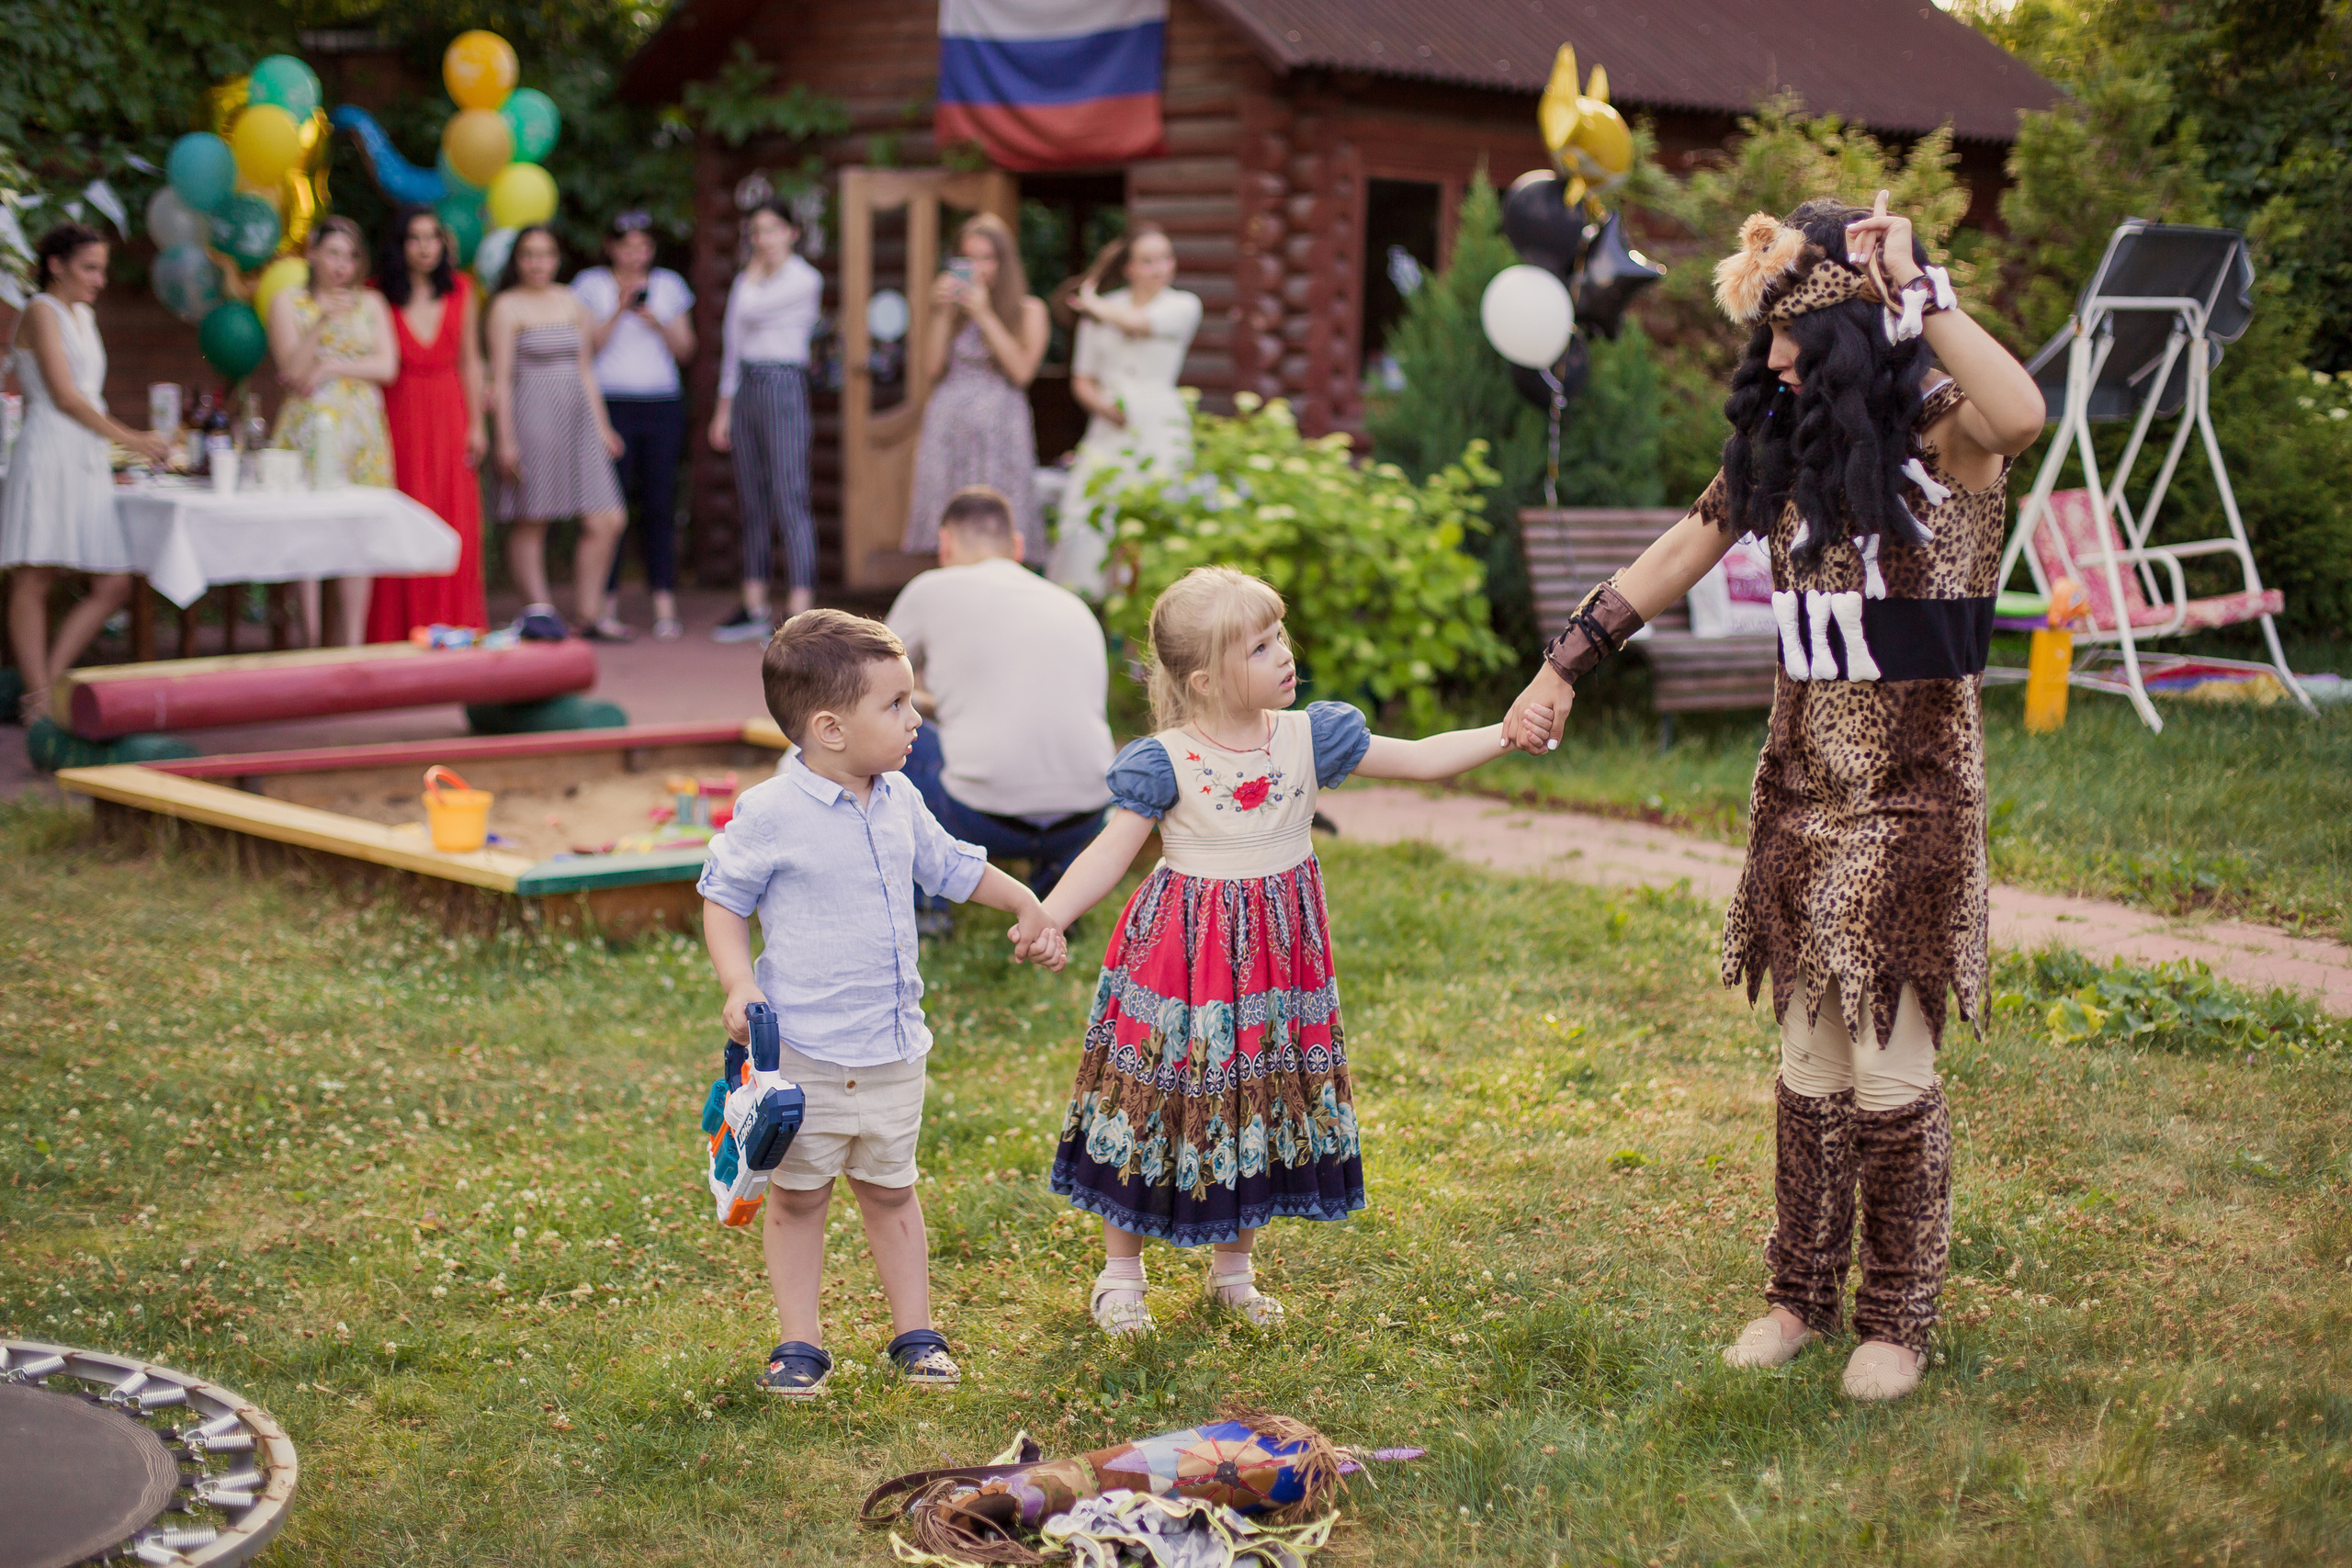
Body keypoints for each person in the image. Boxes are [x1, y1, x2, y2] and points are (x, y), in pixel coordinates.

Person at [1503, 192, 2046, 1403]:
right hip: (1796, 798)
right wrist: (1563, 665)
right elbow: (1674, 552)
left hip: (1912, 802)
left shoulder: (1947, 441)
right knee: (1808, 1061)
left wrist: (1923, 290)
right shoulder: (1783, 456)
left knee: (1888, 1065)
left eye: (1799, 335)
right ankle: (1797, 1295)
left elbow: (2022, 411)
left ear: (1858, 336)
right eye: (1772, 337)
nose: (1780, 358)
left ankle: (1896, 1317)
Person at [1036, 565, 1523, 1337]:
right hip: (1182, 963)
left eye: (1279, 636)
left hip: (1273, 966)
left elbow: (1423, 756)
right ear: (1204, 680)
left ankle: (1234, 1272)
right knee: (1151, 1100)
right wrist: (1052, 914)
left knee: (1252, 1101)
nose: (1285, 654)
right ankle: (1120, 1275)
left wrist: (1506, 732)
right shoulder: (1167, 759)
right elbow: (1109, 852)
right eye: (1260, 647)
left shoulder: (1308, 738)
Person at [697, 608, 1066, 1397]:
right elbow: (723, 899)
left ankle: (916, 1334)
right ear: (830, 728)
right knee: (799, 1198)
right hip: (805, 1054)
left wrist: (1023, 901)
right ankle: (799, 1343)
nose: (915, 717)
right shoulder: (771, 812)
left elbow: (952, 866)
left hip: (894, 1048)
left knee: (892, 1189)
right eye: (895, 704)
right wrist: (738, 982)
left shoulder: (899, 797)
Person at [888, 486, 1116, 937]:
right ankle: (1056, 894)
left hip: (979, 820)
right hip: (1087, 819)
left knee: (896, 735)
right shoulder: (1070, 604)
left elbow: (868, 683)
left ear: (945, 544)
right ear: (1017, 547)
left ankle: (927, 906)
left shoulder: (932, 589)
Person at [2, 223, 171, 721]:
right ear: (57, 266)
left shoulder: (85, 315)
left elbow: (88, 396)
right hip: (49, 449)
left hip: (86, 455)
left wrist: (119, 447)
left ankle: (48, 687)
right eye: (89, 268)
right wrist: (132, 440)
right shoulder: (40, 310)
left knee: (114, 583)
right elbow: (65, 396)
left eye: (103, 269)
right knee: (35, 575)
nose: (100, 279)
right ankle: (39, 699)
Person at [488, 225, 628, 641]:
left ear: (556, 258)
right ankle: (540, 611)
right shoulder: (506, 306)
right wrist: (505, 439)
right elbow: (500, 379)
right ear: (517, 260)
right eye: (529, 254)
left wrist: (603, 427)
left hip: (578, 419)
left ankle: (589, 612)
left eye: (546, 253)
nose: (538, 263)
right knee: (532, 516)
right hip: (531, 417)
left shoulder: (571, 301)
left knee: (608, 517)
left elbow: (586, 369)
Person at [1047, 223, 1200, 596]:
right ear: (1129, 268)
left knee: (1152, 515)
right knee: (1084, 512)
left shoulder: (1182, 305)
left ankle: (1144, 604)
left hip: (1159, 426)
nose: (1160, 268)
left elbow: (1138, 324)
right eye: (1148, 261)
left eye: (1165, 258)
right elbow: (1083, 378)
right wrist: (1104, 408)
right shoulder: (1104, 308)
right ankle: (1088, 597)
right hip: (1108, 427)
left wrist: (1091, 303)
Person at [268, 215, 396, 647]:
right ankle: (310, 637)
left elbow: (387, 366)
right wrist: (321, 321)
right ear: (313, 254)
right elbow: (291, 370)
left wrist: (330, 367)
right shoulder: (288, 302)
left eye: (351, 256)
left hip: (362, 429)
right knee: (309, 527)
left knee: (359, 528)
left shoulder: (372, 303)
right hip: (308, 428)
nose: (342, 265)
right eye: (334, 254)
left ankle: (353, 641)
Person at [366, 204, 488, 642]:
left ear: (443, 244)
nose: (424, 247)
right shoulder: (376, 294)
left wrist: (478, 425)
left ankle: (454, 624)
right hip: (397, 412)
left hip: (449, 411)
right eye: (414, 238)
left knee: (453, 514)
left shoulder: (462, 290)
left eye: (432, 237)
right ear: (399, 246)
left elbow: (471, 361)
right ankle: (398, 631)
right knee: (403, 510)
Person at [574, 209, 695, 640]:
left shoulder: (669, 286)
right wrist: (619, 310)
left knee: (660, 504)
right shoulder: (590, 285)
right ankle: (605, 604)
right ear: (611, 247)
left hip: (662, 404)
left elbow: (686, 350)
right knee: (610, 508)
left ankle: (664, 604)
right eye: (627, 246)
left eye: (643, 247)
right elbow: (586, 348)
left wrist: (656, 320)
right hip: (610, 406)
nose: (635, 255)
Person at [902, 212, 1049, 561]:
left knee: (999, 518)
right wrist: (941, 312)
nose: (978, 268)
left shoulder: (1029, 310)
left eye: (987, 258)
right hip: (949, 423)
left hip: (1001, 428)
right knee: (949, 515)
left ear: (1004, 263)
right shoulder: (951, 312)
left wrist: (984, 314)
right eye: (968, 258)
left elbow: (1021, 372)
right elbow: (931, 368)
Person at [708, 201, 820, 643]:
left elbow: (749, 313)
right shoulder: (748, 281)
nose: (764, 239)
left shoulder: (804, 279)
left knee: (790, 494)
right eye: (756, 231)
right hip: (747, 385)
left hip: (783, 382)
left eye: (773, 229)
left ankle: (800, 608)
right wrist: (723, 408)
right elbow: (732, 343)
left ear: (792, 232)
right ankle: (753, 603)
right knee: (751, 497)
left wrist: (750, 279)